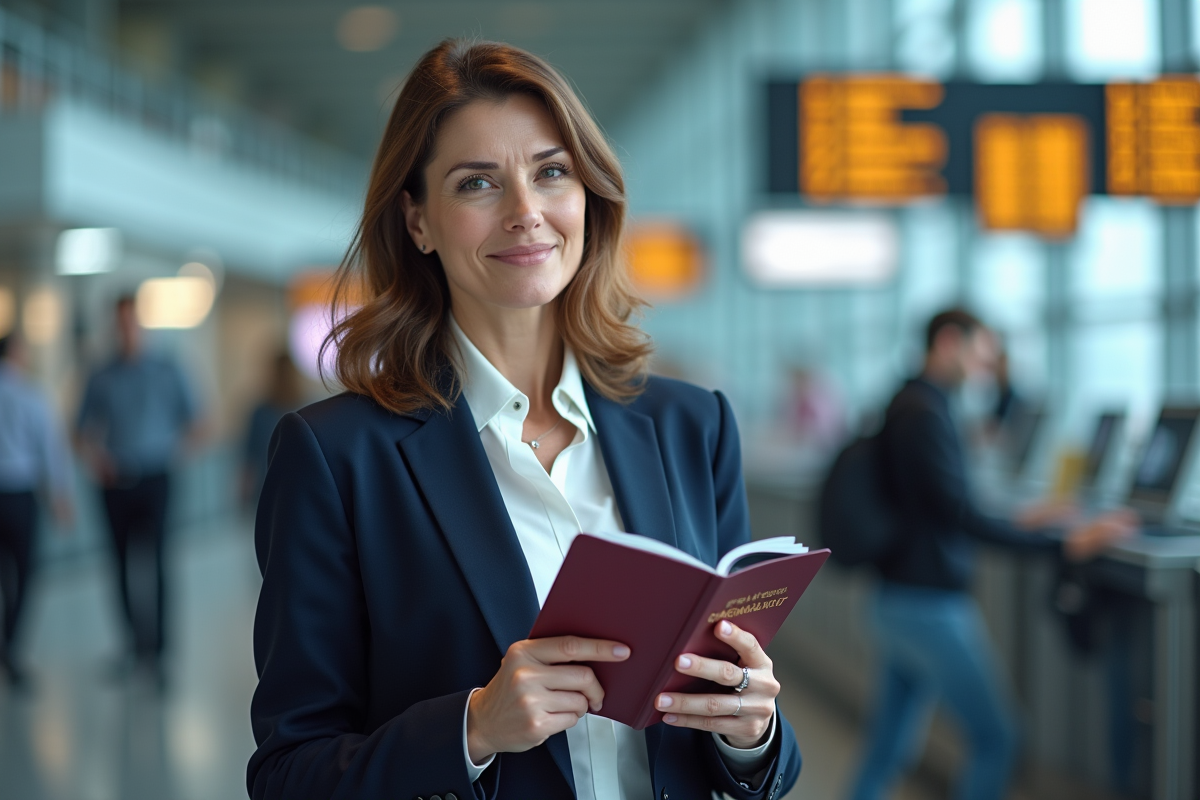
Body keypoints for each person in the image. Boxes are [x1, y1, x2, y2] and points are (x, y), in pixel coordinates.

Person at [248, 39, 801, 800]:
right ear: (418, 221)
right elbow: (289, 773)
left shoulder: (691, 428)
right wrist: (472, 729)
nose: (526, 213)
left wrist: (752, 734)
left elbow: (749, 738)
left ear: (587, 195)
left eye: (551, 172)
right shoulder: (337, 458)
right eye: (477, 183)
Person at [847, 309, 1136, 800]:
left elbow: (938, 506)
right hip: (926, 604)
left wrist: (1029, 518)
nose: (985, 365)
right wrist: (1064, 542)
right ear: (948, 343)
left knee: (888, 745)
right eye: (980, 351)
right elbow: (959, 516)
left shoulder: (909, 402)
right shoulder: (925, 413)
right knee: (997, 738)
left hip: (897, 598)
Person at [75, 295, 200, 682]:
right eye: (120, 323)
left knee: (158, 563)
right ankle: (132, 646)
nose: (127, 330)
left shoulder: (167, 369)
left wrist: (173, 451)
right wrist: (97, 460)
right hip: (116, 482)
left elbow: (200, 422)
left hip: (156, 477)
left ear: (142, 324)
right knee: (120, 565)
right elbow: (79, 431)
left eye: (132, 322)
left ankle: (159, 654)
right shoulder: (101, 374)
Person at [0, 333, 74, 688]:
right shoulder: (31, 394)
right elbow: (50, 449)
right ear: (16, 353)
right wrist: (60, 497)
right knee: (24, 576)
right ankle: (10, 648)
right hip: (19, 496)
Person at [240, 351, 304, 511]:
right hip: (282, 483)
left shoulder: (306, 409)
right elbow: (250, 452)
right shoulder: (261, 411)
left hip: (280, 484)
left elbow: (250, 454)